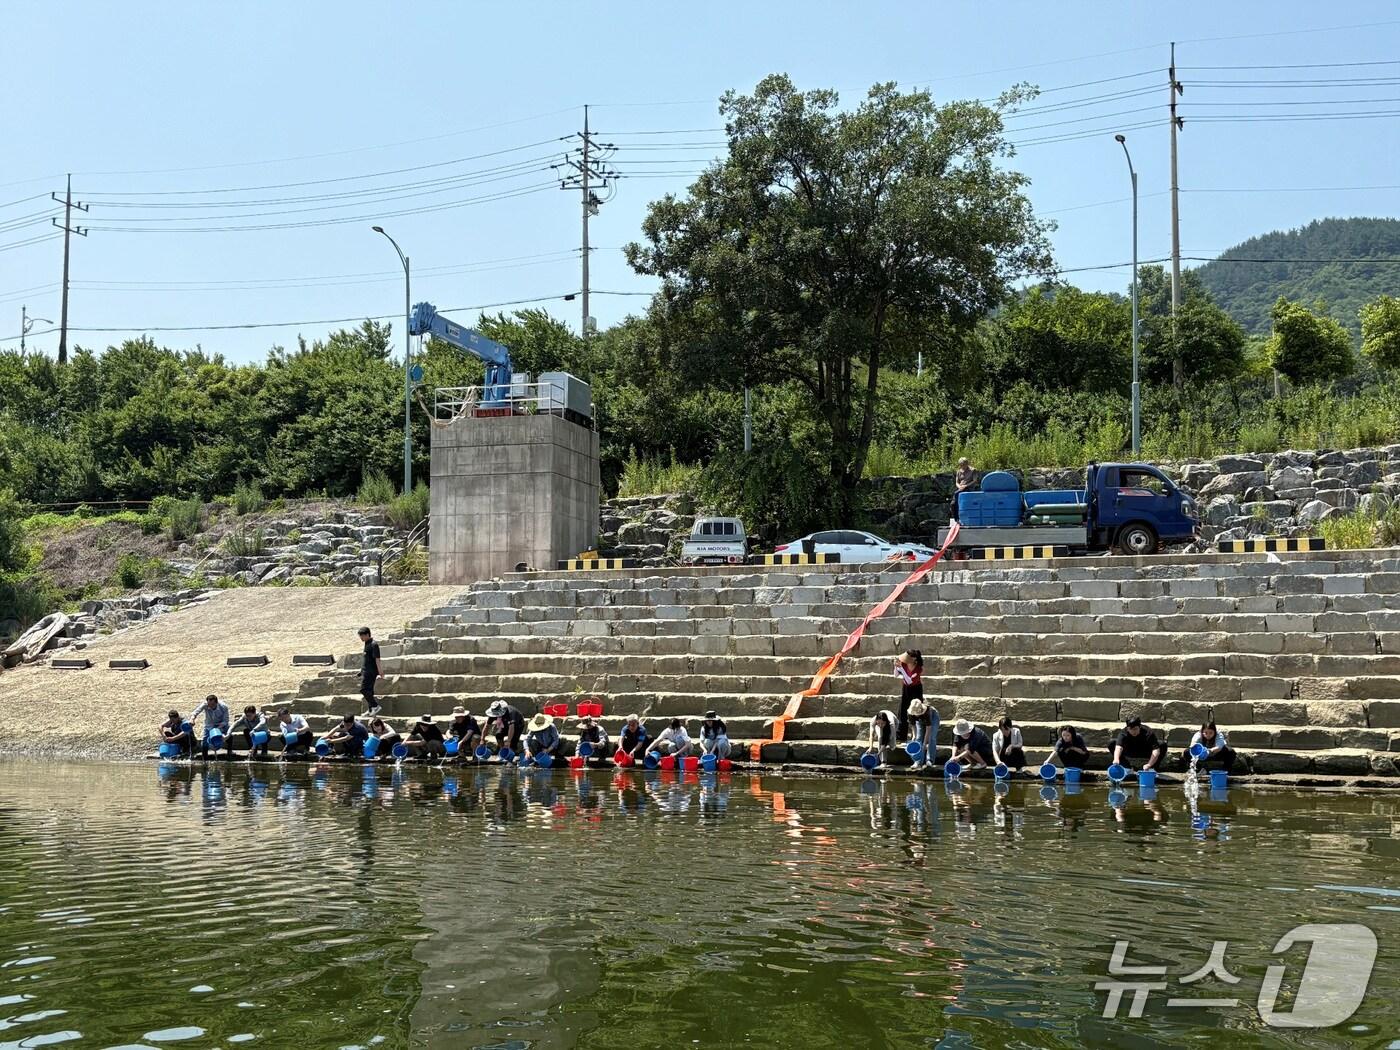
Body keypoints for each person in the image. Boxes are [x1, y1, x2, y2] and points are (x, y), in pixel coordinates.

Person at [894, 650, 924, 743]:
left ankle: (919, 736)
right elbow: (896, 675)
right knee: (902, 710)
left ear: (914, 659)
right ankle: (901, 736)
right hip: (906, 689)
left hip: (916, 689)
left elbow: (909, 680)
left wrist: (902, 670)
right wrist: (896, 667)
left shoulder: (918, 668)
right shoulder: (903, 664)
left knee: (916, 711)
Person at [188, 694, 230, 759]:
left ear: (216, 702)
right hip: (209, 725)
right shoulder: (205, 705)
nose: (210, 707)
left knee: (229, 735)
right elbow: (196, 712)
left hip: (221, 725)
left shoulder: (223, 707)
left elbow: (226, 720)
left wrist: (218, 729)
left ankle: (229, 753)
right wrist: (192, 719)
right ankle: (204, 759)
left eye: (212, 705)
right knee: (204, 741)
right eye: (209, 705)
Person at [906, 697, 938, 771]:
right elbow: (913, 725)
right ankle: (918, 761)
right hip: (919, 721)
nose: (916, 714)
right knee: (918, 738)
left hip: (933, 718)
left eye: (917, 713)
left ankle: (929, 760)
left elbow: (928, 729)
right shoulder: (910, 713)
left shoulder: (927, 712)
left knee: (931, 738)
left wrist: (924, 744)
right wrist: (914, 735)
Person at [358, 626, 383, 716]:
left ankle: (375, 706)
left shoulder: (374, 644)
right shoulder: (366, 644)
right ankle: (370, 710)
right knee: (369, 691)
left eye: (362, 636)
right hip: (366, 671)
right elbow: (366, 659)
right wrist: (361, 671)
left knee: (363, 690)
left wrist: (380, 672)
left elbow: (377, 659)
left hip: (371, 672)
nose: (361, 638)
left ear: (367, 634)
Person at [950, 457, 977, 522]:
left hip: (968, 488)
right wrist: (959, 486)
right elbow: (957, 482)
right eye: (961, 465)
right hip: (960, 488)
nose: (963, 466)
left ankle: (960, 518)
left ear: (967, 464)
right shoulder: (959, 471)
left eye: (964, 464)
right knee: (953, 504)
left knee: (957, 494)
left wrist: (966, 485)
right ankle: (956, 518)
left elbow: (975, 480)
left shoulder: (973, 470)